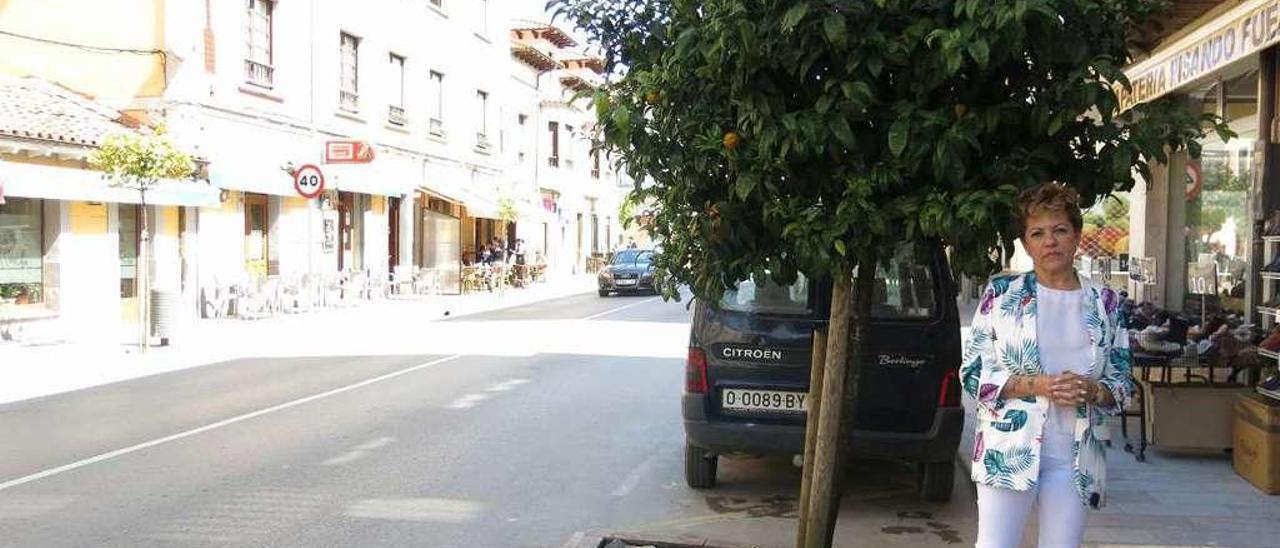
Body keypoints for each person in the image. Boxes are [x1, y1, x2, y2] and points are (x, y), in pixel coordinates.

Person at [961, 182, 1134, 548]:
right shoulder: (1002, 294)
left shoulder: (1105, 302)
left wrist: (1092, 389)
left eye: (1059, 230)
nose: (1050, 241)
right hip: (1008, 447)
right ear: (1026, 244)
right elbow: (973, 372)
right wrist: (1037, 385)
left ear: (1076, 236)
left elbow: (1122, 385)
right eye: (1037, 233)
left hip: (1076, 456)